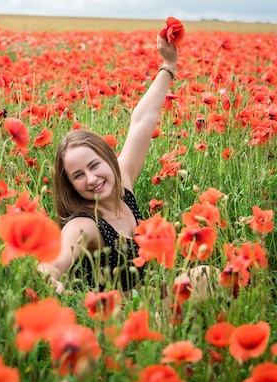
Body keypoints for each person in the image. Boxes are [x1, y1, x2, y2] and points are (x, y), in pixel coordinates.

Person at [38, 33, 215, 299]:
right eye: (78, 175)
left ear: (108, 159)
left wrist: (169, 65)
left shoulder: (123, 182)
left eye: (94, 165)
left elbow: (142, 122)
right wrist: (50, 280)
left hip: (145, 299)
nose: (91, 178)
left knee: (206, 275)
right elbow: (54, 262)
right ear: (71, 185)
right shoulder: (84, 225)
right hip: (116, 319)